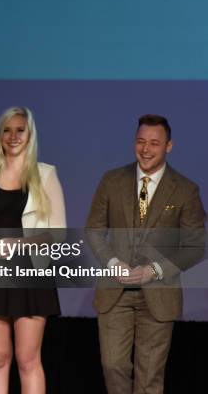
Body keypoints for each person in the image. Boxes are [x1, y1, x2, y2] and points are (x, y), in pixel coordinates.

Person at [86, 115, 205, 394]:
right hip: (115, 291)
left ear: (169, 146)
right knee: (113, 365)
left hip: (159, 293)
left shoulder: (186, 190)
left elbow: (196, 246)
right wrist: (113, 263)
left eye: (154, 143)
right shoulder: (112, 180)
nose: (146, 149)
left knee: (149, 378)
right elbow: (93, 229)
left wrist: (155, 270)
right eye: (141, 142)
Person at [0, 107, 66, 393]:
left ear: (30, 134)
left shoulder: (45, 174)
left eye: (20, 129)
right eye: (7, 130)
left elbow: (57, 232)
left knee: (27, 359)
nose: (13, 136)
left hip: (31, 272)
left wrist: (17, 244)